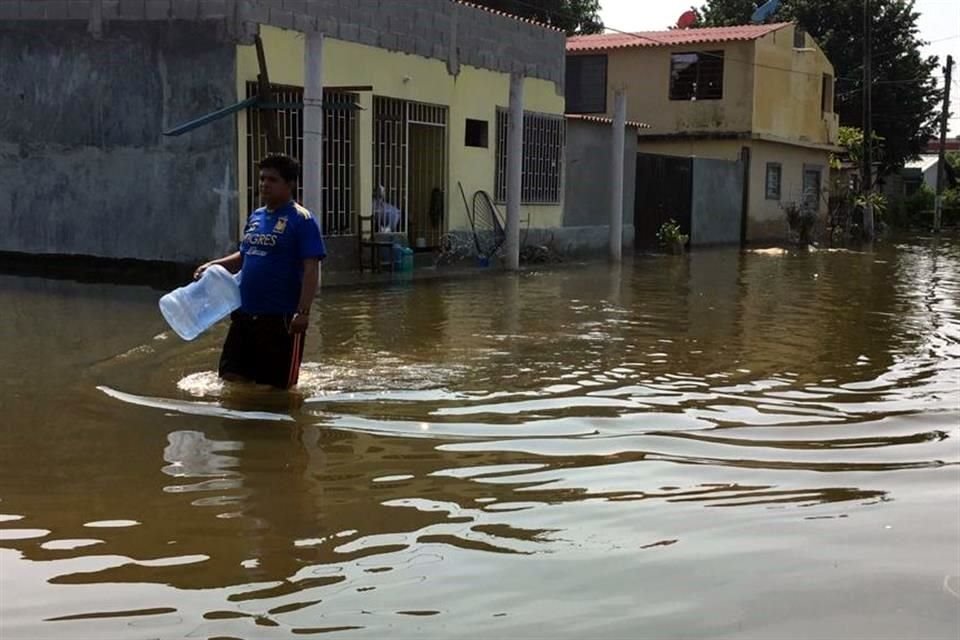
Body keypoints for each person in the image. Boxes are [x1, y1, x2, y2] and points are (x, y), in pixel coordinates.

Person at [195, 154, 326, 390]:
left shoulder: (302, 220)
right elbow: (244, 256)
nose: (265, 184)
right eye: (262, 178)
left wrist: (303, 312)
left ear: (289, 184)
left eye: (272, 180)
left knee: (277, 391)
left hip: (281, 319)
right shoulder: (256, 217)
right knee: (231, 378)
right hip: (244, 314)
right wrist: (214, 265)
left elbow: (311, 269)